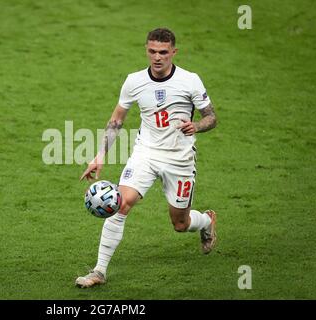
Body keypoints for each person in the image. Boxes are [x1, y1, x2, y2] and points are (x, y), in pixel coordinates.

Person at [76, 28, 217, 288]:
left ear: (174, 52)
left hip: (180, 160)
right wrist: (99, 155)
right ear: (146, 50)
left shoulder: (190, 80)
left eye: (163, 52)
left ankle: (207, 221)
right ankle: (99, 271)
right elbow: (117, 119)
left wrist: (196, 126)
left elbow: (211, 117)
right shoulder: (134, 81)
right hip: (146, 153)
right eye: (152, 51)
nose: (157, 57)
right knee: (119, 203)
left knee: (180, 223)